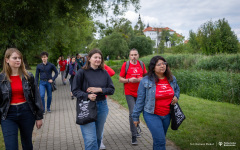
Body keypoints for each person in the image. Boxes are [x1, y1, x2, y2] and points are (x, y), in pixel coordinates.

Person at [132, 56, 180, 150]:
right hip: (152, 114)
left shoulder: (171, 78)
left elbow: (177, 89)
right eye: (159, 64)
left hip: (167, 114)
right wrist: (135, 116)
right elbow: (140, 100)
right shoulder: (145, 80)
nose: (162, 66)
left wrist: (176, 97)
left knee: (159, 140)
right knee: (161, 141)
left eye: (164, 64)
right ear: (153, 67)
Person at [0, 48, 44, 150]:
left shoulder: (28, 76)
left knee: (27, 144)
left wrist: (39, 116)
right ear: (7, 60)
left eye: (19, 58)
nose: (18, 60)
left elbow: (36, 97)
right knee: (11, 146)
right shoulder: (1, 79)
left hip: (26, 112)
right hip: (8, 115)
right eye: (14, 58)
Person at [72, 49, 115, 150]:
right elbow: (75, 90)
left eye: (99, 58)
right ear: (89, 58)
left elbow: (111, 90)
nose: (98, 59)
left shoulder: (104, 73)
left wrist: (99, 89)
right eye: (95, 57)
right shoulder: (81, 72)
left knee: (98, 137)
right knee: (91, 140)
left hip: (102, 106)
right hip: (86, 107)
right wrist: (87, 95)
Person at [119, 48, 147, 145]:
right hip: (129, 92)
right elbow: (120, 79)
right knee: (132, 112)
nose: (134, 56)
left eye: (135, 54)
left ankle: (137, 125)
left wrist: (141, 79)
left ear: (138, 55)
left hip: (140, 93)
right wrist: (129, 80)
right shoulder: (125, 65)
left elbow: (146, 77)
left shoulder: (141, 64)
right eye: (132, 55)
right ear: (129, 56)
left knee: (137, 111)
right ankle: (134, 136)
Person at [100, 64, 115, 150]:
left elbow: (112, 72)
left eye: (99, 58)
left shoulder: (103, 71)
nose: (97, 60)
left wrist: (104, 66)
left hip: (102, 99)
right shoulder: (87, 71)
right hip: (90, 100)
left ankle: (100, 141)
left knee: (101, 123)